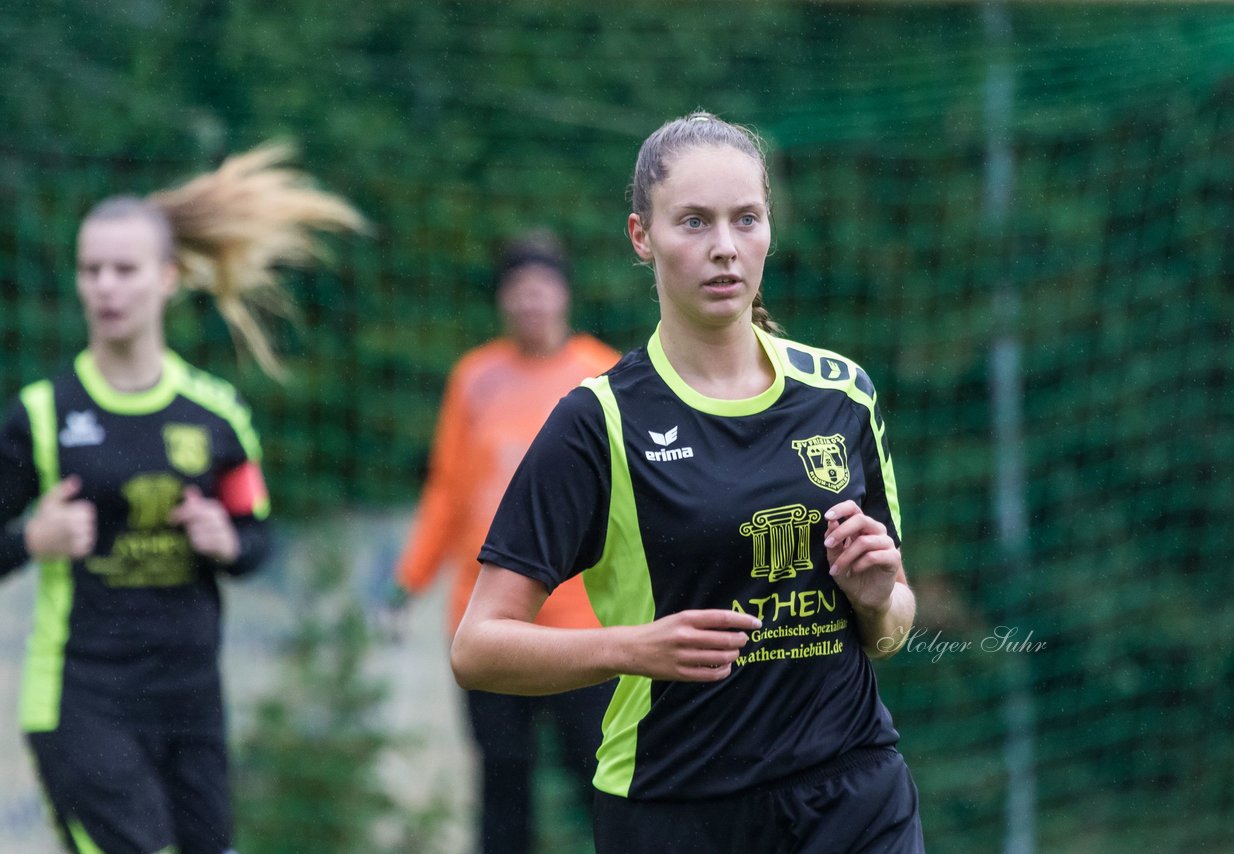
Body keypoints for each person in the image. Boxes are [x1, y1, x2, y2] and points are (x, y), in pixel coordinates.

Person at [451, 112, 924, 853]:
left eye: (747, 220)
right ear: (642, 236)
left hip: (853, 791)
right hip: (678, 806)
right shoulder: (597, 422)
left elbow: (892, 625)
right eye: (695, 223)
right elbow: (477, 647)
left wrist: (875, 599)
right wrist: (632, 648)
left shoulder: (842, 394)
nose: (725, 249)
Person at [0, 145, 364, 854]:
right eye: (91, 270)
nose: (106, 286)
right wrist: (28, 540)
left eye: (125, 270)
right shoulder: (42, 415)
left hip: (190, 705)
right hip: (82, 701)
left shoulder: (217, 416)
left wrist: (227, 543)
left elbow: (255, 536)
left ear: (167, 278)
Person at [392, 231, 619, 854]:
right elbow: (447, 488)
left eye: (541, 289)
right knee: (502, 784)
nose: (530, 304)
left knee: (605, 781)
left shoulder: (604, 376)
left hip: (581, 628)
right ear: (502, 302)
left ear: (564, 296)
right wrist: (408, 579)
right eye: (517, 292)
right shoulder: (475, 378)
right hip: (488, 622)